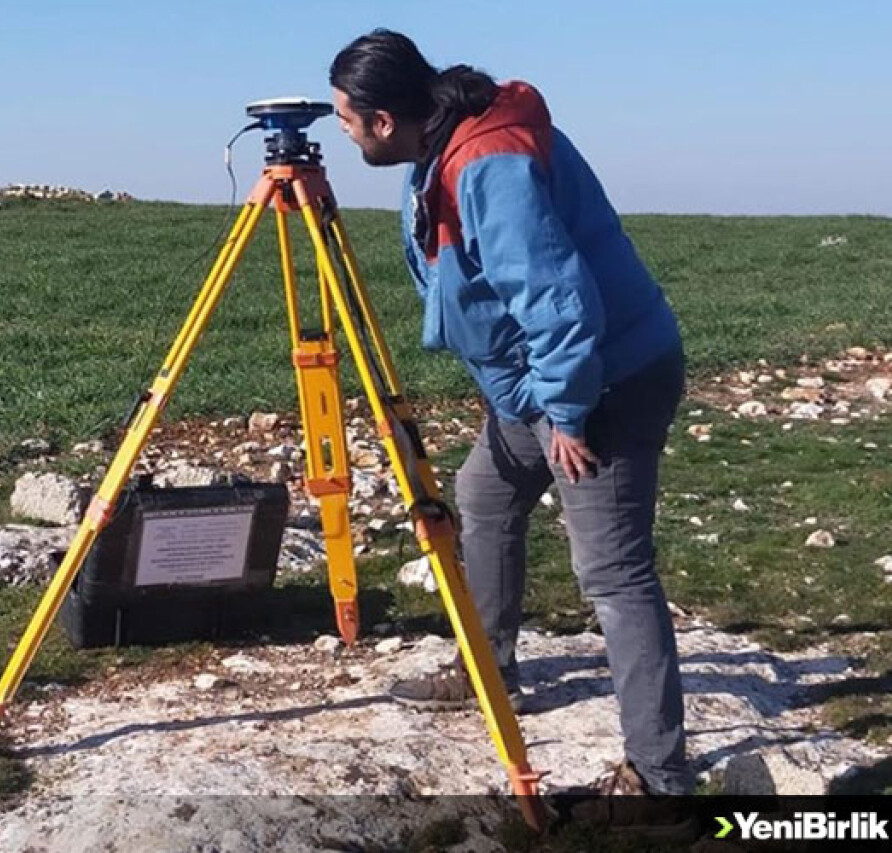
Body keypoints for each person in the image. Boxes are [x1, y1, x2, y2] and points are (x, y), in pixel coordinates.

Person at [329, 29, 695, 800]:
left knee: (614, 571)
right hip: (542, 383)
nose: (342, 132)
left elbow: (557, 300)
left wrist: (564, 410)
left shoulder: (488, 163)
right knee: (485, 496)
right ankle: (486, 668)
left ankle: (659, 778)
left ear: (384, 120)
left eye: (345, 119)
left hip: (603, 380)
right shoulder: (443, 142)